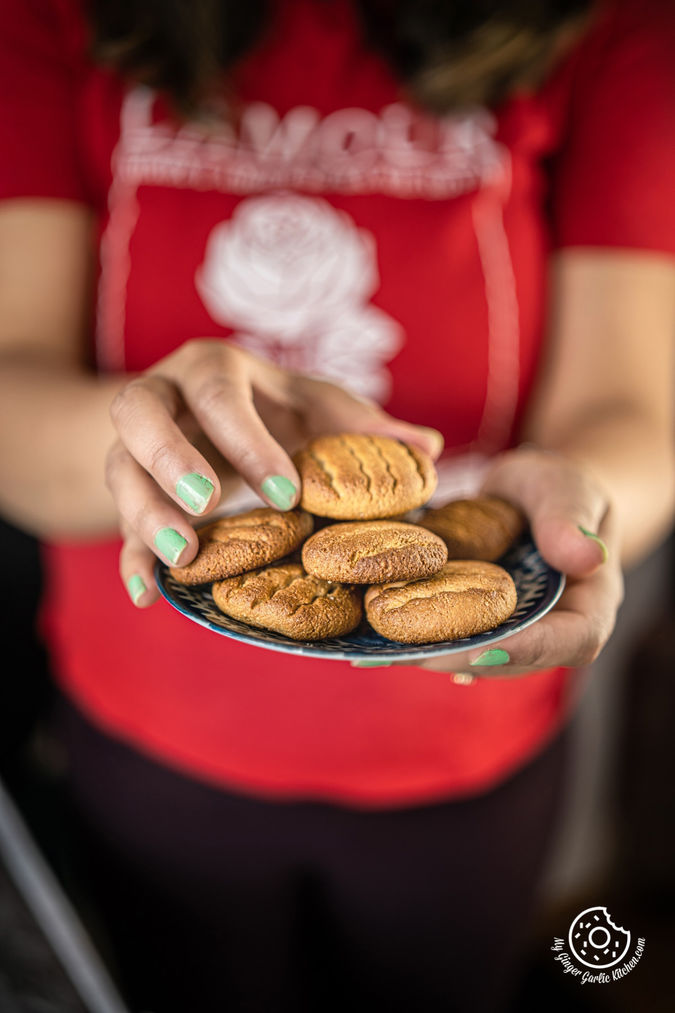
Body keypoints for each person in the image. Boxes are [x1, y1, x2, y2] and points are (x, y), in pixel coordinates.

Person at [0, 0, 673, 1010]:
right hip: (151, 739)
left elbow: (635, 412)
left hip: (465, 750)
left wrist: (588, 507)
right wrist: (153, 440)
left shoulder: (615, 24)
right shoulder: (51, 18)